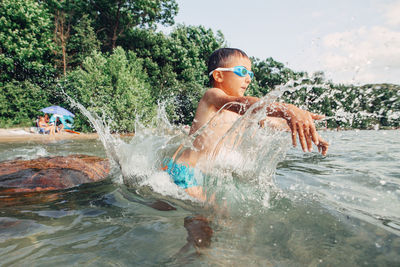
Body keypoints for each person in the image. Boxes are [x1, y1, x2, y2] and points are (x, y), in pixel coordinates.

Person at [162, 48, 329, 201]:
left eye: (250, 74)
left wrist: (306, 128)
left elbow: (276, 122)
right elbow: (242, 103)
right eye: (242, 72)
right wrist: (287, 108)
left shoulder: (245, 115)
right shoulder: (213, 97)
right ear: (219, 76)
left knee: (227, 220)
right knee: (202, 225)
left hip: (207, 176)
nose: (248, 79)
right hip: (186, 171)